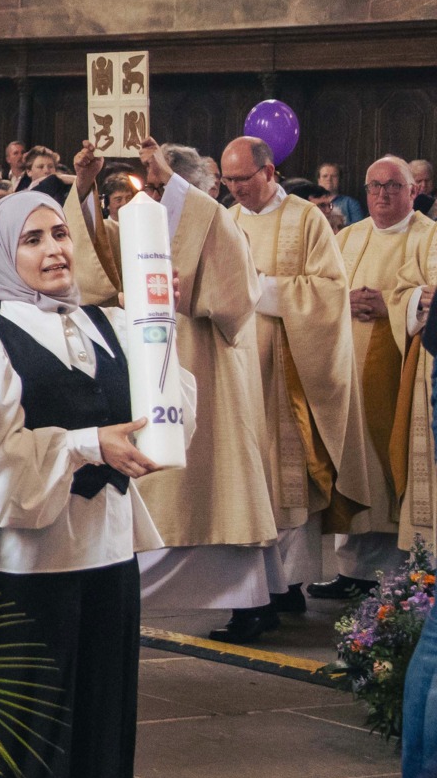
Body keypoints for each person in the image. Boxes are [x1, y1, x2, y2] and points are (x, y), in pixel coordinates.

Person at [0, 190, 191, 778]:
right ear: (4, 256)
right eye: (32, 241)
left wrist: (160, 325)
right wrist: (88, 445)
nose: (53, 250)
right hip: (29, 561)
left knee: (103, 727)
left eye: (60, 234)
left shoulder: (111, 323)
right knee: (32, 740)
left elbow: (169, 415)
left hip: (108, 551)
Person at [68, 141, 280, 642]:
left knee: (217, 487)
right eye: (152, 187)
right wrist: (83, 188)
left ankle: (249, 602)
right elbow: (95, 258)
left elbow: (237, 295)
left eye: (161, 187)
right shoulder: (137, 229)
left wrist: (175, 181)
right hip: (147, 368)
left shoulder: (216, 220)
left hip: (204, 362)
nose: (152, 196)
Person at [219, 135, 384, 635]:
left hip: (290, 371)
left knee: (286, 483)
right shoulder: (228, 220)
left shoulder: (305, 219)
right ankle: (274, 588)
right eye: (228, 181)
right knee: (250, 485)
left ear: (269, 172)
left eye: (243, 179)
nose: (235, 189)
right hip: (241, 369)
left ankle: (273, 591)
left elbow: (329, 292)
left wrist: (261, 289)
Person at [315, 157, 437, 597]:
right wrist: (341, 302)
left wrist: (390, 305)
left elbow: (428, 297)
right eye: (374, 187)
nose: (383, 195)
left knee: (391, 470)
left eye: (393, 186)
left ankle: (396, 576)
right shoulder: (348, 237)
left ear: (412, 191)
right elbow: (321, 291)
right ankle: (352, 572)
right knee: (354, 468)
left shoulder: (430, 236)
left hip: (402, 376)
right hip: (347, 372)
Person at [322, 162, 368, 227]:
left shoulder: (351, 204)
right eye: (325, 176)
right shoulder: (311, 203)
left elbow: (360, 228)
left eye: (334, 176)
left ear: (340, 180)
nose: (329, 179)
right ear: (319, 180)